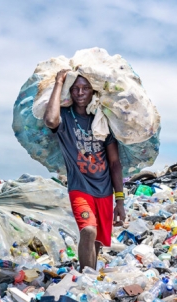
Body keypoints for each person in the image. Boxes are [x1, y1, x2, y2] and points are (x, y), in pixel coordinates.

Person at [43, 69, 126, 271]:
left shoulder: (101, 120)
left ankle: (88, 280)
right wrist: (58, 82)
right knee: (88, 231)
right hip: (79, 187)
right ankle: (85, 279)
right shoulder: (65, 118)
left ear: (92, 92)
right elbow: (50, 120)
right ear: (70, 92)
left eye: (85, 88)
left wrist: (120, 201)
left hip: (104, 191)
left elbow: (115, 164)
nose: (80, 93)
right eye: (76, 89)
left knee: (96, 243)